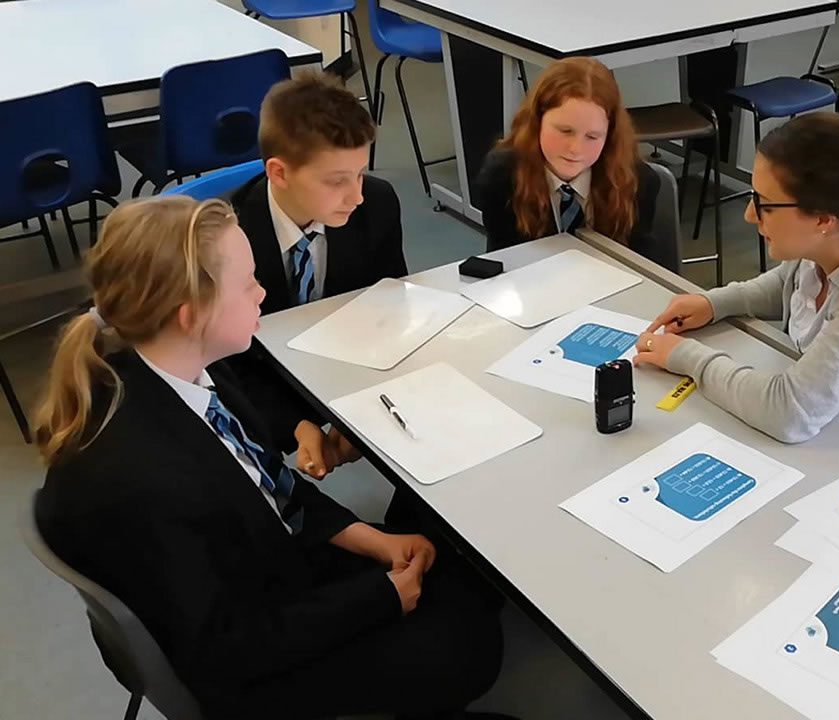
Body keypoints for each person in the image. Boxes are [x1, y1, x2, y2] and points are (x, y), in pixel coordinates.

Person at [33, 196, 510, 720]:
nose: (262, 292)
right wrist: (380, 599)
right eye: (247, 284)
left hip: (261, 567)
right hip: (248, 661)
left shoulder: (192, 368)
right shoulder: (146, 479)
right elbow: (227, 645)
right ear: (191, 314)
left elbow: (269, 483)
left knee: (464, 579)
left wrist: (372, 540)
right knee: (469, 645)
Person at [634, 113, 839, 443]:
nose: (749, 215)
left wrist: (688, 357)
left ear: (823, 219)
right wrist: (714, 303)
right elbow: (787, 285)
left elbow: (787, 413)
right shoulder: (835, 239)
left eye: (764, 205)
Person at [229, 71, 408, 481]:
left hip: (344, 365)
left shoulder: (377, 204)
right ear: (279, 173)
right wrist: (294, 422)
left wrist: (360, 405)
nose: (356, 195)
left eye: (360, 173)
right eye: (336, 181)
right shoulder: (230, 239)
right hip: (260, 378)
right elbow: (225, 361)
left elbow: (388, 313)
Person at [476, 57, 676, 272]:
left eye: (592, 136)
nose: (576, 149)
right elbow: (505, 261)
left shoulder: (637, 181)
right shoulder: (502, 175)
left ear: (609, 135)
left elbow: (639, 267)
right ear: (537, 122)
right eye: (565, 131)